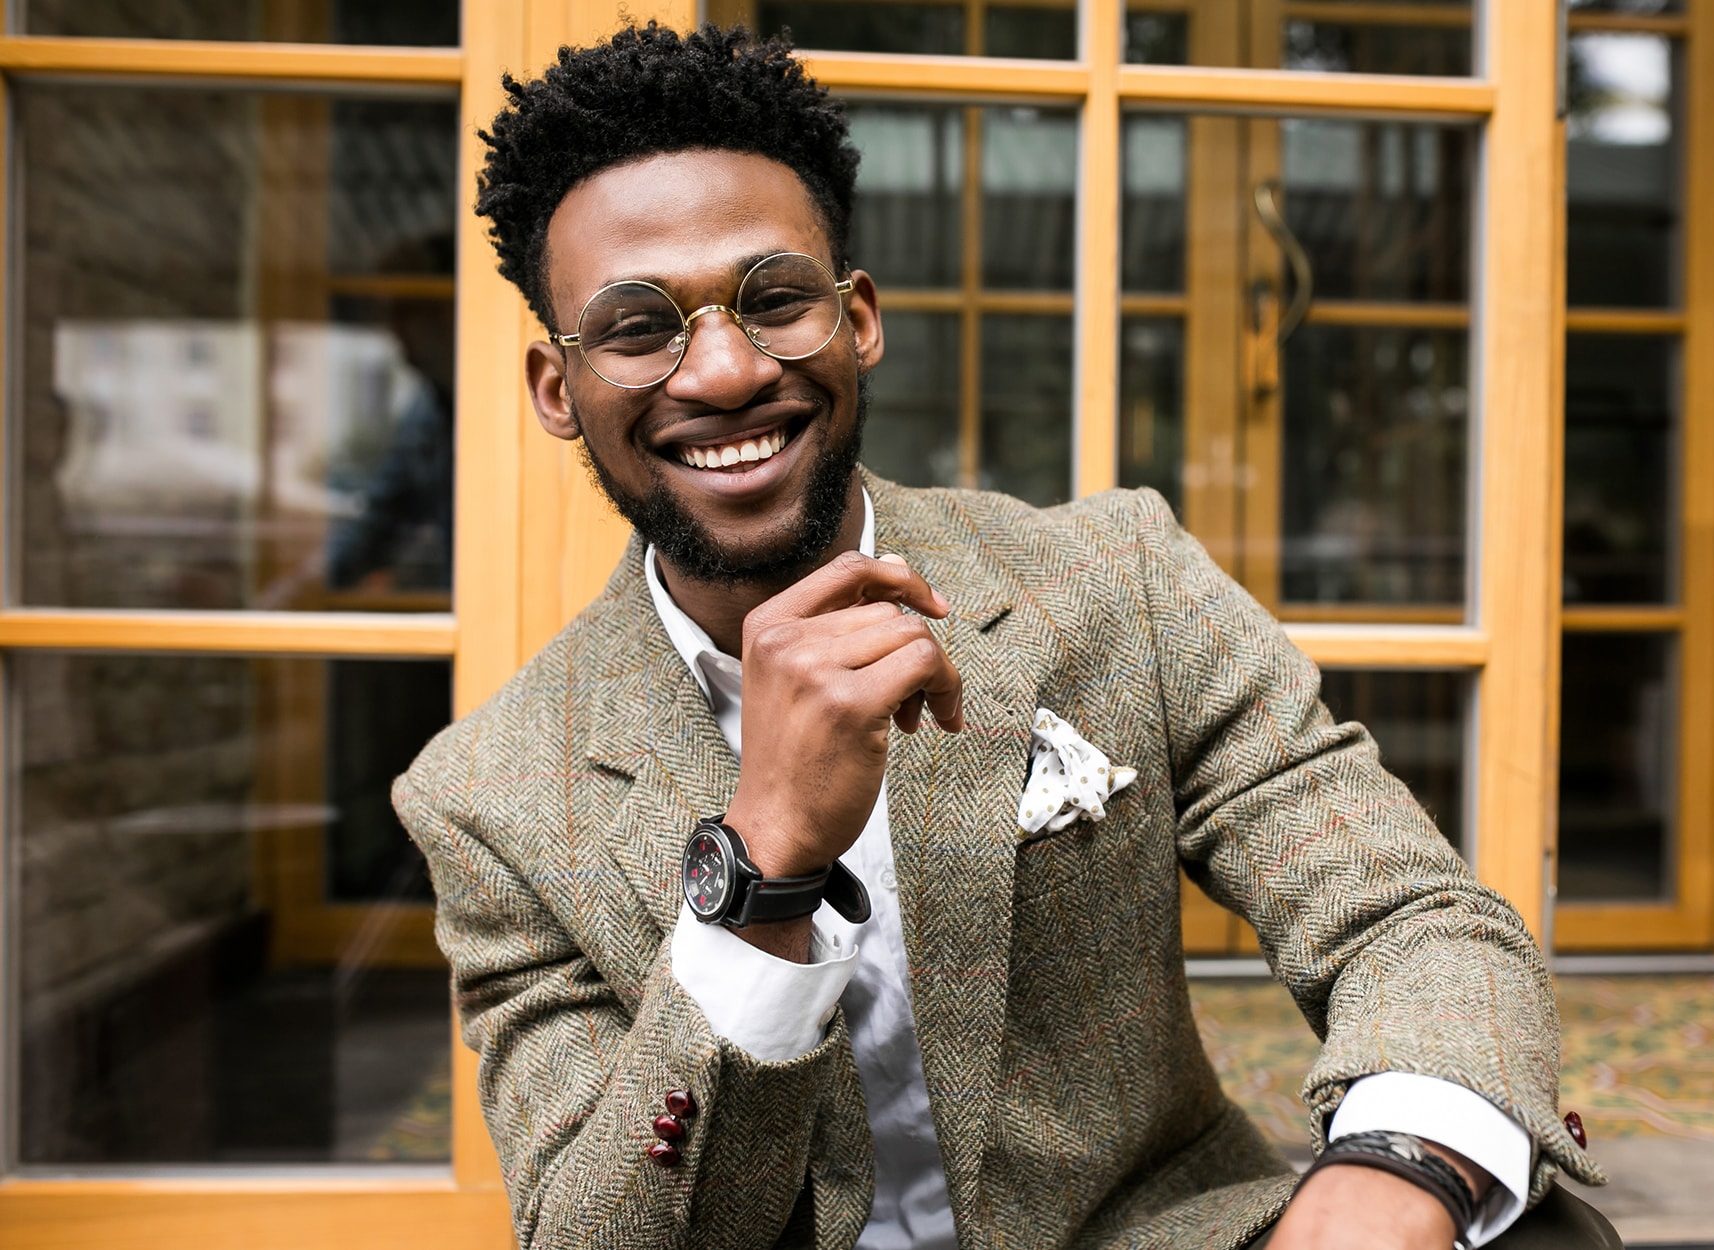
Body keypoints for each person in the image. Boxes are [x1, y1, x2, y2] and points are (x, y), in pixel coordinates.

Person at [393, 22, 1615, 1250]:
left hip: (1156, 1234)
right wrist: (759, 868)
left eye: (772, 299)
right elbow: (603, 1234)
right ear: (560, 387)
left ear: (855, 318)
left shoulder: (1113, 578)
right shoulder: (489, 797)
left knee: (1533, 1235)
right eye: (637, 327)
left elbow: (1406, 913)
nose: (718, 372)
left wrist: (1396, 1167)